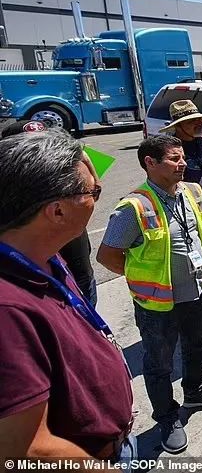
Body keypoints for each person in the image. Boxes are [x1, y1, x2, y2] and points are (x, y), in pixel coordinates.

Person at [0, 131, 135, 462]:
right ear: (57, 212)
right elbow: (25, 450)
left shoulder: (43, 253)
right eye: (93, 192)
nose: (99, 196)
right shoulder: (8, 309)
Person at [98, 135, 202, 454]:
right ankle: (168, 418)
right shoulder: (133, 207)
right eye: (173, 159)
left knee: (197, 343)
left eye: (182, 157)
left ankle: (196, 391)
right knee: (158, 363)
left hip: (196, 292)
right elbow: (107, 256)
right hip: (158, 302)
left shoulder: (190, 192)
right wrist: (145, 279)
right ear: (150, 163)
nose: (182, 163)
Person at [0, 120, 100, 306]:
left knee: (82, 280)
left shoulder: (69, 179)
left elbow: (86, 167)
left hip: (76, 274)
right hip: (34, 292)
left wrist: (92, 175)